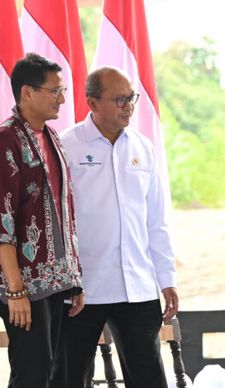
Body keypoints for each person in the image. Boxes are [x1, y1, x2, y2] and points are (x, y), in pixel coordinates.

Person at [57, 67, 177, 387]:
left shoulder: (143, 148)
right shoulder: (67, 147)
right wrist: (67, 280)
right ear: (92, 103)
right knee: (70, 377)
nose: (128, 106)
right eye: (119, 99)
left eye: (131, 98)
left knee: (149, 377)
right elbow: (57, 219)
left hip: (136, 286)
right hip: (83, 288)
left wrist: (166, 279)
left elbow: (156, 220)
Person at [0, 53, 84, 387]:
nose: (62, 98)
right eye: (54, 91)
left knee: (53, 371)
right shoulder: (6, 140)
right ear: (27, 93)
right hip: (23, 285)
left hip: (57, 281)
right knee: (31, 372)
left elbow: (66, 211)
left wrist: (74, 278)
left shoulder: (52, 138)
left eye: (62, 90)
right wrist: (16, 292)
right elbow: (2, 221)